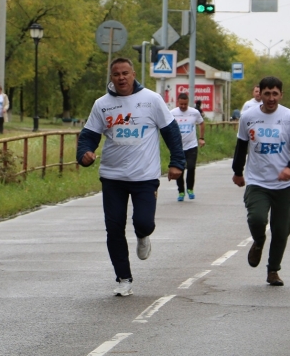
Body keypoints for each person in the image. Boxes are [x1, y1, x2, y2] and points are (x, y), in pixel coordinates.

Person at [76, 58, 185, 297]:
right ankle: (123, 278)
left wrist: (177, 162)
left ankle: (142, 235)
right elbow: (88, 136)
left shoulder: (152, 100)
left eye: (125, 73)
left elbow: (171, 132)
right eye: (116, 74)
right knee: (114, 229)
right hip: (112, 176)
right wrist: (84, 153)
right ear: (111, 77)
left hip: (144, 176)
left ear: (133, 74)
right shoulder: (102, 105)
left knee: (143, 222)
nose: (121, 78)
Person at [232, 76, 290, 287]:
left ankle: (273, 270)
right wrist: (238, 171)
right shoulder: (248, 117)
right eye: (267, 93)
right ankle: (258, 241)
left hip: (283, 185)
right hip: (257, 181)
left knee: (281, 230)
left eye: (275, 94)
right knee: (256, 219)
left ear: (281, 95)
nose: (271, 98)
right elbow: (241, 147)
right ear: (260, 94)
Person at [171, 92, 205, 201]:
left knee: (191, 167)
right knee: (179, 169)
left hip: (191, 145)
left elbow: (201, 123)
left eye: (185, 104)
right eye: (181, 104)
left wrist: (201, 138)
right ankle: (181, 191)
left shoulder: (194, 113)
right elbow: (168, 128)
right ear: (178, 102)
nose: (183, 106)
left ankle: (190, 189)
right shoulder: (172, 113)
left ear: (188, 103)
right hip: (178, 147)